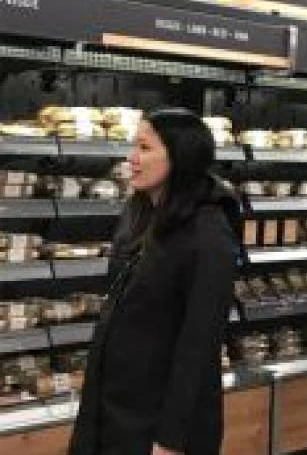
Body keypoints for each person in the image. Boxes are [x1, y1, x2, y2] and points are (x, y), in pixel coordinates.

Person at [69, 108, 242, 455]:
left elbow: (199, 343)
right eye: (134, 146)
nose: (132, 158)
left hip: (158, 423)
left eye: (145, 148)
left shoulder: (208, 232)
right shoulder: (140, 212)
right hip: (115, 409)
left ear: (180, 156)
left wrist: (171, 438)